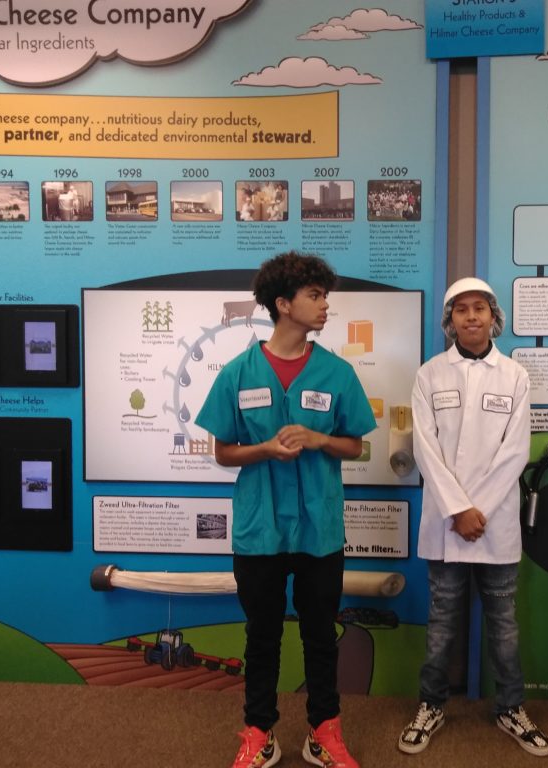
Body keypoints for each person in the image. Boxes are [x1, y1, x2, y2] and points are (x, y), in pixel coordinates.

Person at [196, 252, 377, 768]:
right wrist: (265, 450)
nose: (324, 306)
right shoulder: (238, 373)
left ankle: (324, 732)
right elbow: (224, 451)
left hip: (320, 527)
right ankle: (259, 732)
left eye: (325, 296)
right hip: (259, 530)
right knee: (263, 636)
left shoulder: (336, 372)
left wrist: (320, 438)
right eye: (315, 296)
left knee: (321, 633)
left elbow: (355, 447)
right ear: (283, 304)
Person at [398, 277, 548, 758]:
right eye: (461, 310)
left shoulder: (515, 376)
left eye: (479, 308)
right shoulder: (429, 375)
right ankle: (431, 705)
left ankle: (510, 707)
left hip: (494, 522)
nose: (470, 317)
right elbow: (425, 448)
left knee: (503, 626)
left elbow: (516, 451)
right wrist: (457, 509)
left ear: (493, 316)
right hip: (448, 524)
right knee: (442, 622)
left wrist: (475, 510)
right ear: (449, 320)